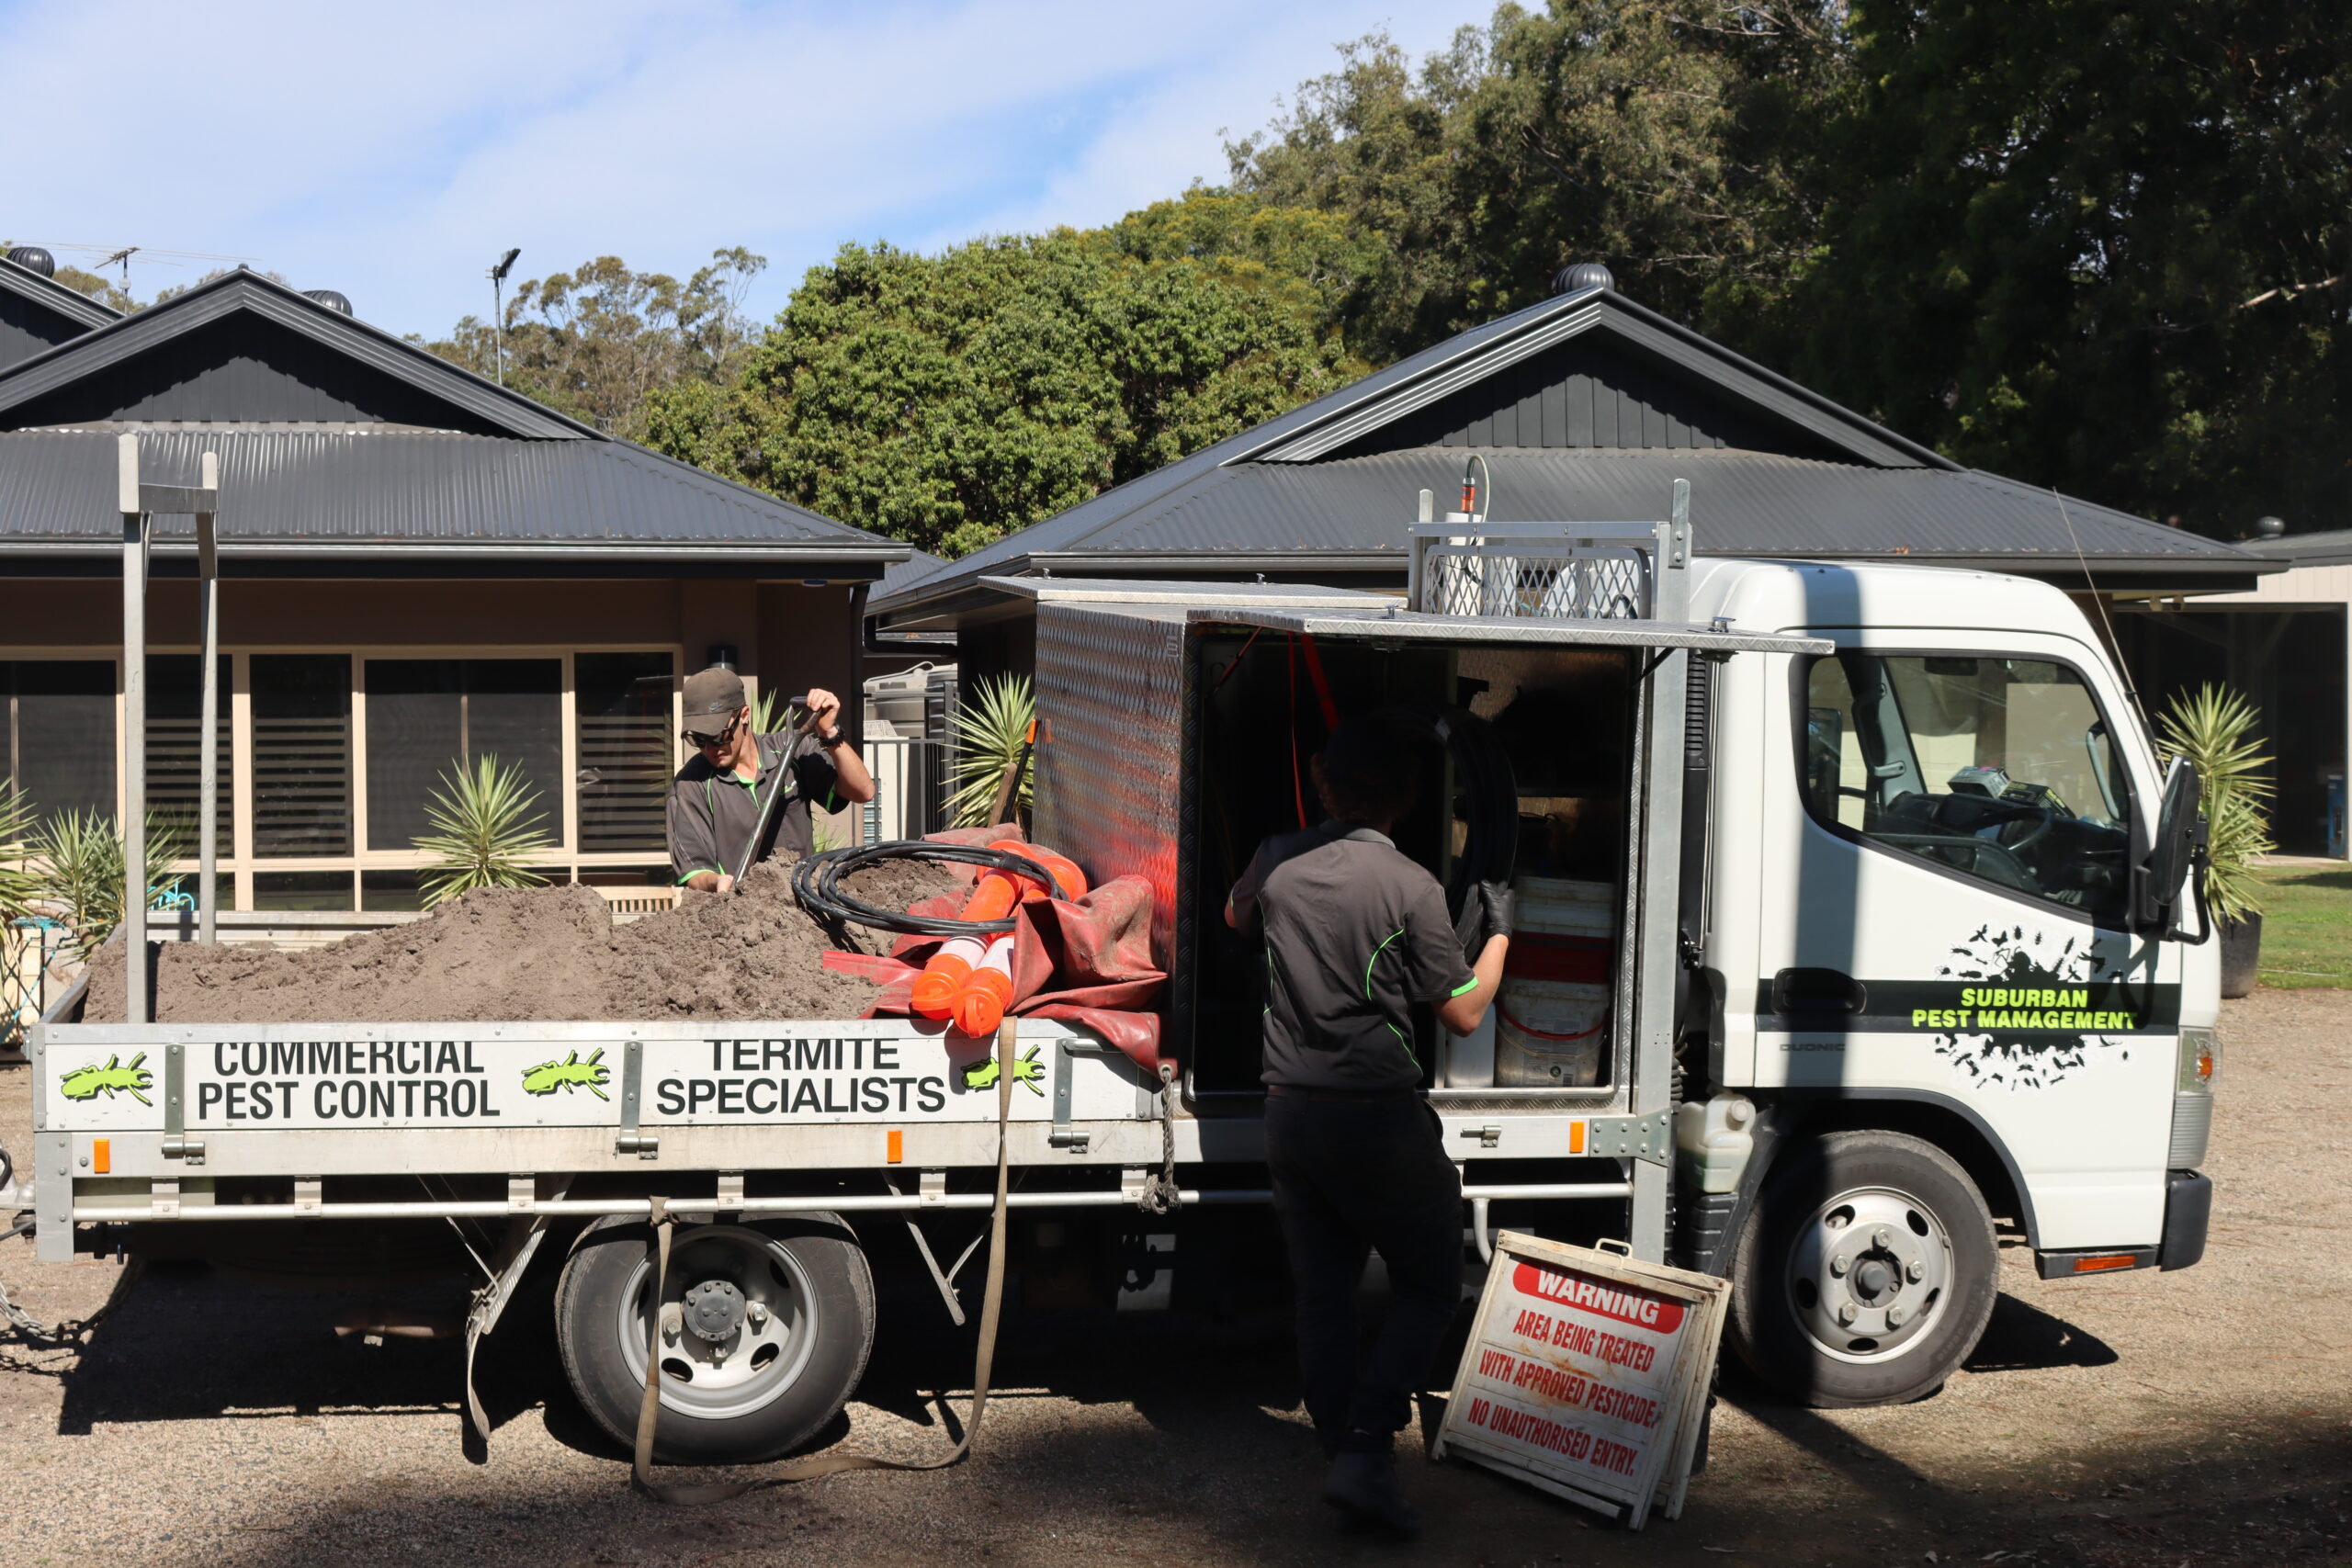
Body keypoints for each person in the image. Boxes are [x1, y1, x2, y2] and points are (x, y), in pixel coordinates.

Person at [1225, 710, 1511, 1536]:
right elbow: (1460, 1014)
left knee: (1322, 1294)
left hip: (1292, 1115)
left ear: (1322, 779)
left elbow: (1233, 920)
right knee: (1428, 1281)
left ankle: (1340, 1451)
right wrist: (1498, 940)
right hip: (1378, 1119)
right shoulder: (1411, 885)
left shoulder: (1276, 861)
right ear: (1411, 796)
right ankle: (1366, 1444)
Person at [667, 665, 876, 893]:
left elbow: (863, 792)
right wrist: (718, 883)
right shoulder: (690, 785)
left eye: (718, 736)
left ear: (744, 715)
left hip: (803, 906)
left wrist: (830, 734)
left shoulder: (792, 750)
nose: (709, 748)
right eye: (698, 739)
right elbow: (694, 870)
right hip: (741, 914)